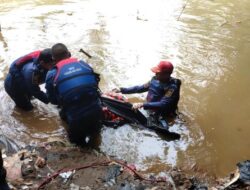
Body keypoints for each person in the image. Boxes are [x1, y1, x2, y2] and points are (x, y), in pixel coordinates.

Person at [45, 43, 102, 145]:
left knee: (77, 144)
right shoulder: (83, 63)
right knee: (95, 136)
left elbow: (53, 100)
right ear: (69, 54)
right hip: (96, 110)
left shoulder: (52, 74)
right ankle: (97, 150)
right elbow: (94, 84)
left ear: (53, 59)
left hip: (75, 116)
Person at [113, 61, 181, 121]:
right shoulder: (154, 79)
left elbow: (163, 104)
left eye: (158, 73)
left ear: (166, 75)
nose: (155, 74)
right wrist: (122, 90)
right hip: (148, 106)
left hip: (159, 112)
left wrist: (142, 104)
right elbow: (140, 88)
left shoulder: (172, 87)